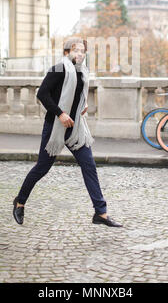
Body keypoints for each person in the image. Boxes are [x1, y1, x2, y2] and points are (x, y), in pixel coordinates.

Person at [13, 37, 122, 228]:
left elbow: (78, 95)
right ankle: (20, 202)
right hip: (55, 127)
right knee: (42, 168)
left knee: (89, 166)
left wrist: (83, 104)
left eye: (82, 51)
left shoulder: (82, 72)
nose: (79, 54)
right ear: (66, 52)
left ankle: (101, 213)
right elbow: (42, 94)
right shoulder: (58, 69)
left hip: (76, 128)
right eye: (75, 50)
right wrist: (60, 114)